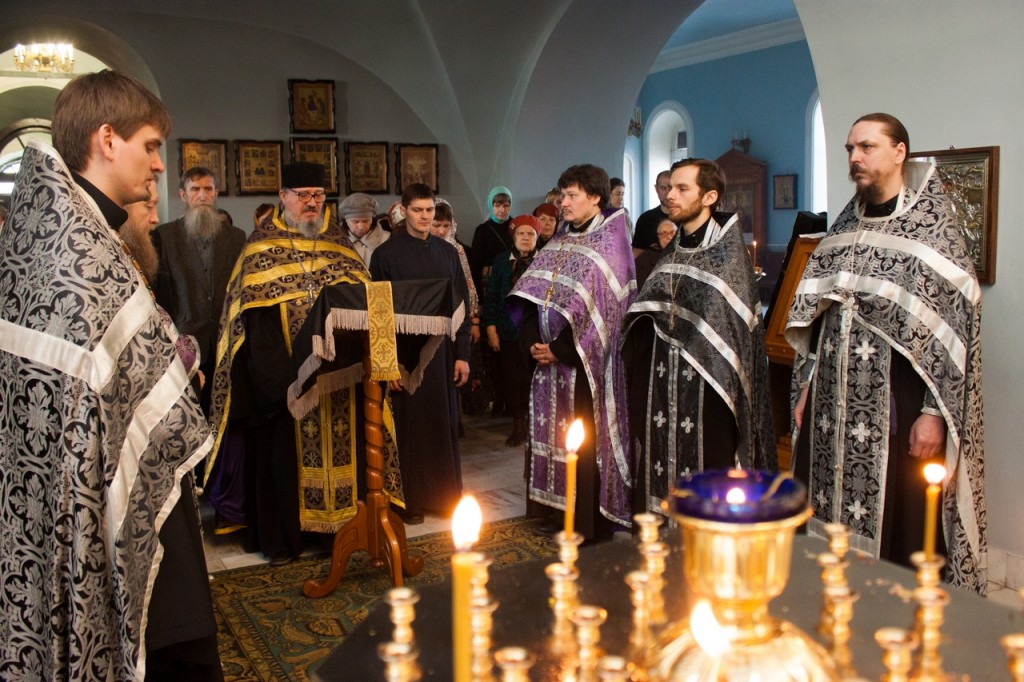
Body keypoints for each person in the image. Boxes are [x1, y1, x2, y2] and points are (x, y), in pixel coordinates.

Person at [0, 69, 221, 680]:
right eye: (150, 146)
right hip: (96, 487)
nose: (158, 165)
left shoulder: (61, 227)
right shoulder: (79, 252)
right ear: (106, 140)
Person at [786, 113, 986, 592]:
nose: (855, 157)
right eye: (850, 148)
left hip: (897, 409)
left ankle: (889, 611)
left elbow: (952, 339)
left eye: (867, 147)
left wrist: (933, 414)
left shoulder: (931, 232)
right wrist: (807, 385)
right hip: (830, 409)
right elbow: (817, 319)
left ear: (900, 152)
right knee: (822, 510)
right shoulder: (843, 231)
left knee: (901, 519)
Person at [205, 162, 400, 564]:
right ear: (283, 197)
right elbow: (249, 320)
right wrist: (283, 377)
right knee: (282, 458)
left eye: (318, 195)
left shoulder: (339, 245)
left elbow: (366, 303)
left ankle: (338, 534)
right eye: (303, 196)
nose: (312, 203)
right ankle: (284, 539)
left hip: (338, 380)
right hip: (282, 384)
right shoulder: (259, 248)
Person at [622, 159, 776, 516]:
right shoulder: (672, 251)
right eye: (669, 188)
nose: (670, 196)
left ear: (709, 196)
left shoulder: (727, 257)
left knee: (710, 477)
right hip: (663, 384)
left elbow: (733, 332)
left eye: (682, 189)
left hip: (712, 388)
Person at [508, 164, 636, 539]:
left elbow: (605, 315)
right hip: (547, 364)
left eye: (571, 196)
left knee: (583, 438)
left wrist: (560, 350)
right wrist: (533, 342)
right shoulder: (559, 241)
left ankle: (586, 522)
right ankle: (552, 510)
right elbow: (533, 295)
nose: (563, 203)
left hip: (585, 369)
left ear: (594, 198)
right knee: (550, 434)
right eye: (563, 195)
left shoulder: (610, 246)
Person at [370, 183, 472, 523]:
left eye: (429, 210)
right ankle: (410, 502)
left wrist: (463, 354)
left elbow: (461, 304)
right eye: (418, 210)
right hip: (405, 356)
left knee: (443, 426)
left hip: (442, 353)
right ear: (404, 211)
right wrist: (387, 364)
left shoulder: (448, 252)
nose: (425, 216)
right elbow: (378, 314)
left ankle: (444, 498)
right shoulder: (385, 255)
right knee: (410, 432)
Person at [153, 166, 246, 414]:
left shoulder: (236, 237)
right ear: (183, 195)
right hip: (185, 343)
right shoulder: (165, 236)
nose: (202, 196)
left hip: (224, 342)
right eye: (195, 189)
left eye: (208, 189)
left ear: (216, 193)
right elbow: (163, 295)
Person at [482, 214, 540, 447]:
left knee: (534, 379)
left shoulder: (545, 260)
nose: (525, 238)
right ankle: (518, 425)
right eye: (521, 233)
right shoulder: (501, 261)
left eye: (531, 234)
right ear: (513, 237)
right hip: (508, 331)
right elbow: (492, 297)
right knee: (513, 380)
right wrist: (491, 328)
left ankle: (536, 425)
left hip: (537, 332)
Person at [469, 185, 513, 291]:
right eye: (497, 206)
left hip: (512, 281)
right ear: (490, 205)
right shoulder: (482, 230)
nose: (502, 210)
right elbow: (475, 264)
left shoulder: (517, 227)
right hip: (490, 283)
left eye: (506, 206)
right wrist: (477, 292)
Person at [339, 191, 390, 266]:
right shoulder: (336, 240)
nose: (361, 227)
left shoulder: (387, 239)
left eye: (366, 221)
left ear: (372, 220)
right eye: (355, 222)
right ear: (346, 221)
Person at [632, 169, 672, 257]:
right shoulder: (645, 219)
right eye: (663, 188)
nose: (667, 193)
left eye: (670, 188)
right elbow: (637, 253)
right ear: (656, 189)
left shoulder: (687, 218)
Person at [633, 217, 677, 290]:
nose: (669, 237)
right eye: (663, 234)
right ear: (657, 237)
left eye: (672, 233)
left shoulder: (687, 255)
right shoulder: (644, 261)